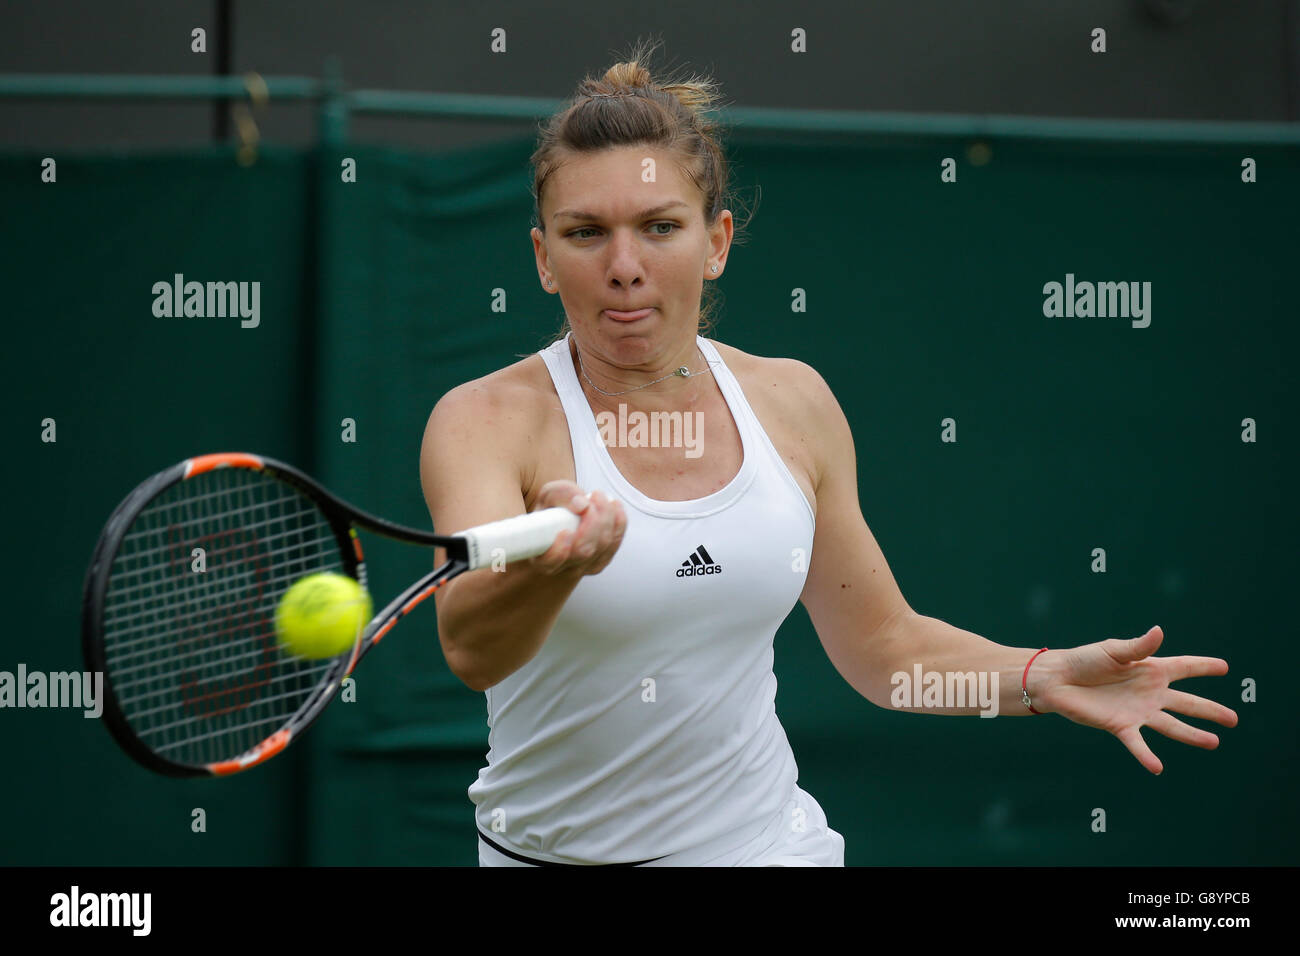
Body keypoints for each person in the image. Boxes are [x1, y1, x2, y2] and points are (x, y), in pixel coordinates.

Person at [419, 40, 1237, 867]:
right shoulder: (483, 422)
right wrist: (557, 565)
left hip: (770, 849)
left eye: (660, 227)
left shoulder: (794, 402)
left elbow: (886, 651)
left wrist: (1040, 676)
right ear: (542, 259)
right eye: (586, 232)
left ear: (716, 242)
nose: (625, 267)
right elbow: (472, 649)